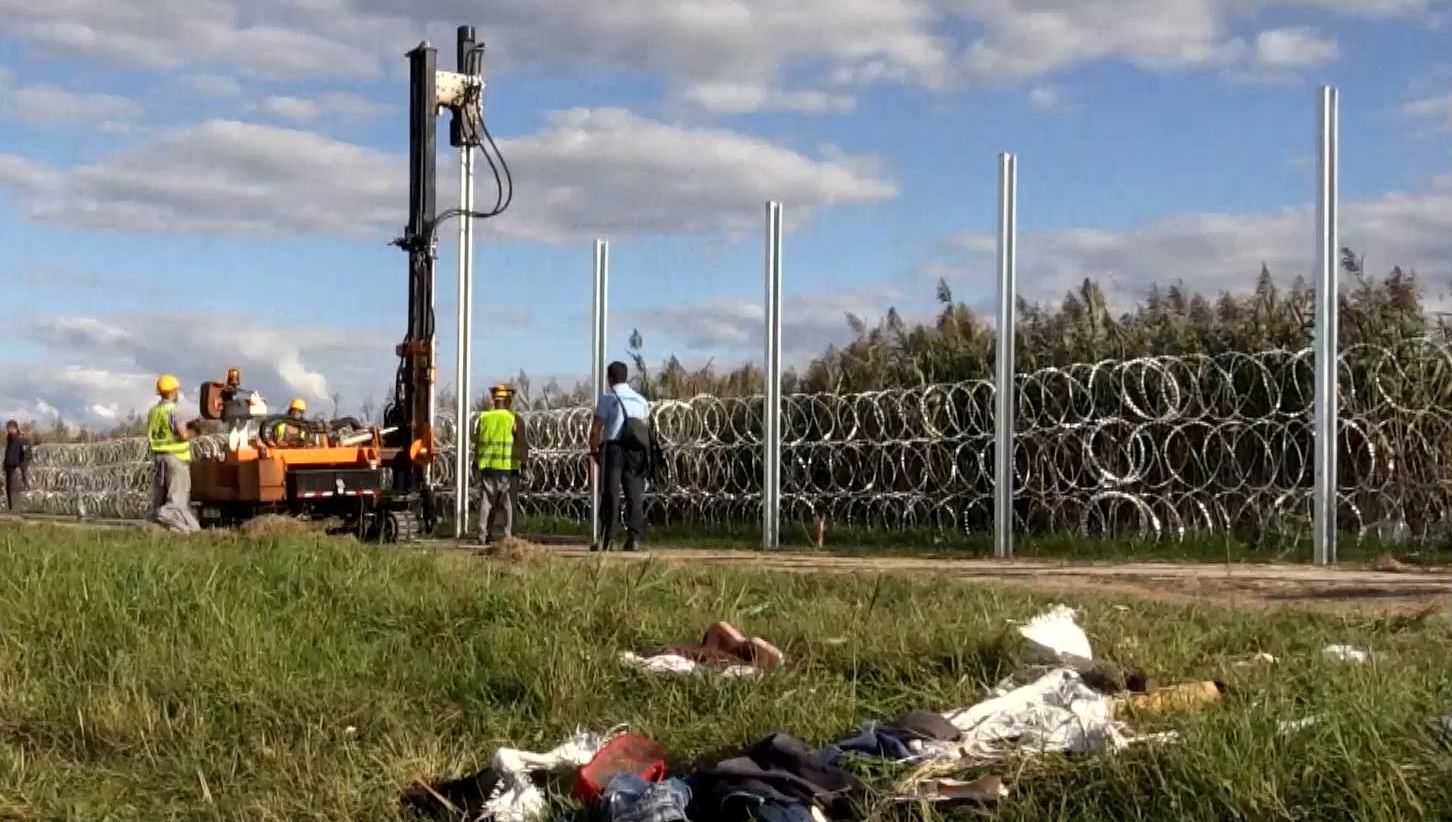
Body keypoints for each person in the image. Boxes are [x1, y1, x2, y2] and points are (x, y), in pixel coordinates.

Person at [589, 361, 651, 552]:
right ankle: (634, 538)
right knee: (634, 494)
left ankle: (607, 538)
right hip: (636, 450)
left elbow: (597, 428)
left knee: (611, 493)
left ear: (610, 378)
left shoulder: (608, 399)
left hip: (613, 448)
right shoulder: (640, 400)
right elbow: (644, 427)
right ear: (625, 377)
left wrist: (594, 450)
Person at [149, 374, 201, 533]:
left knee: (163, 495)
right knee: (177, 499)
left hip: (159, 458)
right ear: (172, 392)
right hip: (176, 459)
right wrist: (196, 432)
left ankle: (188, 530)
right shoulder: (175, 410)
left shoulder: (154, 411)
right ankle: (161, 514)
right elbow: (183, 435)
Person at [475, 384, 525, 544]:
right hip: (507, 467)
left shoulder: (483, 418)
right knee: (508, 503)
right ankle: (508, 536)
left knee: (486, 501)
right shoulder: (513, 418)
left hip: (487, 466)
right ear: (509, 400)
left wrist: (476, 463)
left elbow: (477, 442)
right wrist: (524, 462)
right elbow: (521, 443)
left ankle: (482, 535)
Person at [4, 420, 30, 512]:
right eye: (8, 428)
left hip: (16, 467)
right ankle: (11, 509)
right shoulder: (10, 440)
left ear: (14, 429)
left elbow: (25, 455)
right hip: (8, 468)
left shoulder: (21, 440)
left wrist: (22, 467)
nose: (8, 430)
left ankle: (15, 510)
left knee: (15, 489)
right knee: (9, 489)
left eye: (10, 428)